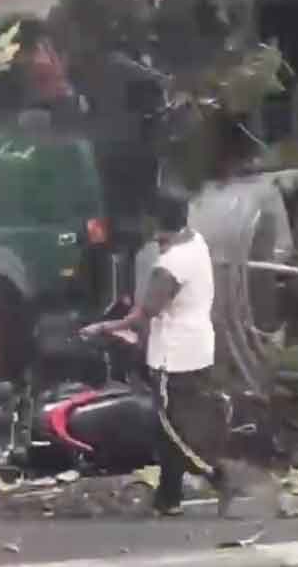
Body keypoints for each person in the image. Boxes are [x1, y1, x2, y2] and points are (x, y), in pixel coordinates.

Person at [80, 193, 233, 517]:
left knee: (170, 428)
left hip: (174, 355)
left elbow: (144, 312)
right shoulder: (196, 243)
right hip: (198, 345)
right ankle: (169, 496)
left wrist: (103, 328)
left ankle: (219, 476)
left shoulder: (170, 265)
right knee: (177, 422)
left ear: (157, 222)